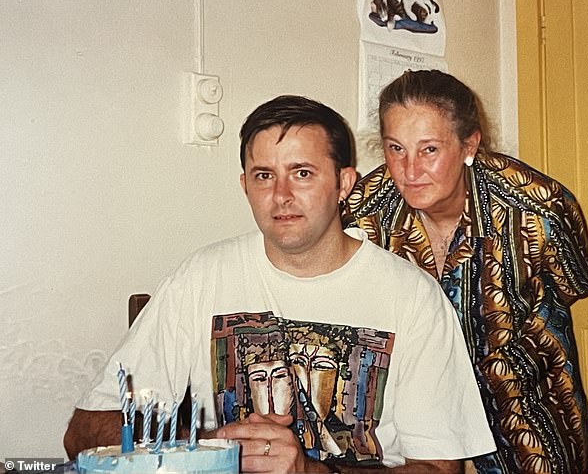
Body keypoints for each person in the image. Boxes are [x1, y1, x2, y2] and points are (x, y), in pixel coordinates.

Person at [63, 95, 495, 473]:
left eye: (302, 173)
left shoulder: (413, 298)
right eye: (264, 175)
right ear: (244, 186)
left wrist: (310, 471)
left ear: (344, 183)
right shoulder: (202, 277)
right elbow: (84, 430)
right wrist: (209, 451)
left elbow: (440, 467)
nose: (281, 195)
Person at [343, 70, 588, 474]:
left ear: (469, 144)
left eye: (429, 150)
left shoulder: (537, 207)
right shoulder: (364, 209)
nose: (409, 171)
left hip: (526, 419)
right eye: (396, 149)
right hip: (417, 428)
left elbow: (577, 282)